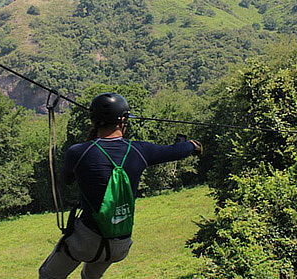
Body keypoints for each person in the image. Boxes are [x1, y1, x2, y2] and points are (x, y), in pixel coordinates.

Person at [39, 92, 202, 279]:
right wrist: (192, 145)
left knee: (48, 275)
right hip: (119, 244)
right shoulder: (140, 150)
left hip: (85, 242)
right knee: (90, 276)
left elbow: (67, 180)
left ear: (94, 120)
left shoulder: (78, 152)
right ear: (123, 121)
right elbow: (175, 151)